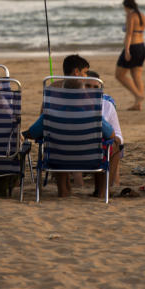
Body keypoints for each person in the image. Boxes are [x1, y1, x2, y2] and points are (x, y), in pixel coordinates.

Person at [24, 56, 115, 198]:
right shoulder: (93, 112)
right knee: (107, 146)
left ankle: (63, 191)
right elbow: (111, 135)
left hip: (59, 159)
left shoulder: (50, 113)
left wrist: (26, 134)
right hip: (90, 160)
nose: (86, 76)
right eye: (85, 73)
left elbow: (32, 133)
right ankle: (101, 193)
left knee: (55, 144)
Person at [87, 70, 123, 191]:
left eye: (95, 87)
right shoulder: (102, 108)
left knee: (114, 144)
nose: (92, 90)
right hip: (92, 152)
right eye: (87, 86)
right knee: (111, 146)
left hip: (68, 153)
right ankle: (103, 191)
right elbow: (114, 133)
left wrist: (115, 139)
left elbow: (118, 135)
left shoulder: (107, 105)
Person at [114, 0, 145, 110]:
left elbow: (129, 34)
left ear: (126, 6)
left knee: (119, 75)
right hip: (142, 47)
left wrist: (127, 50)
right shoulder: (141, 15)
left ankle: (138, 96)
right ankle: (138, 105)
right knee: (136, 75)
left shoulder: (130, 15)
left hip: (132, 47)